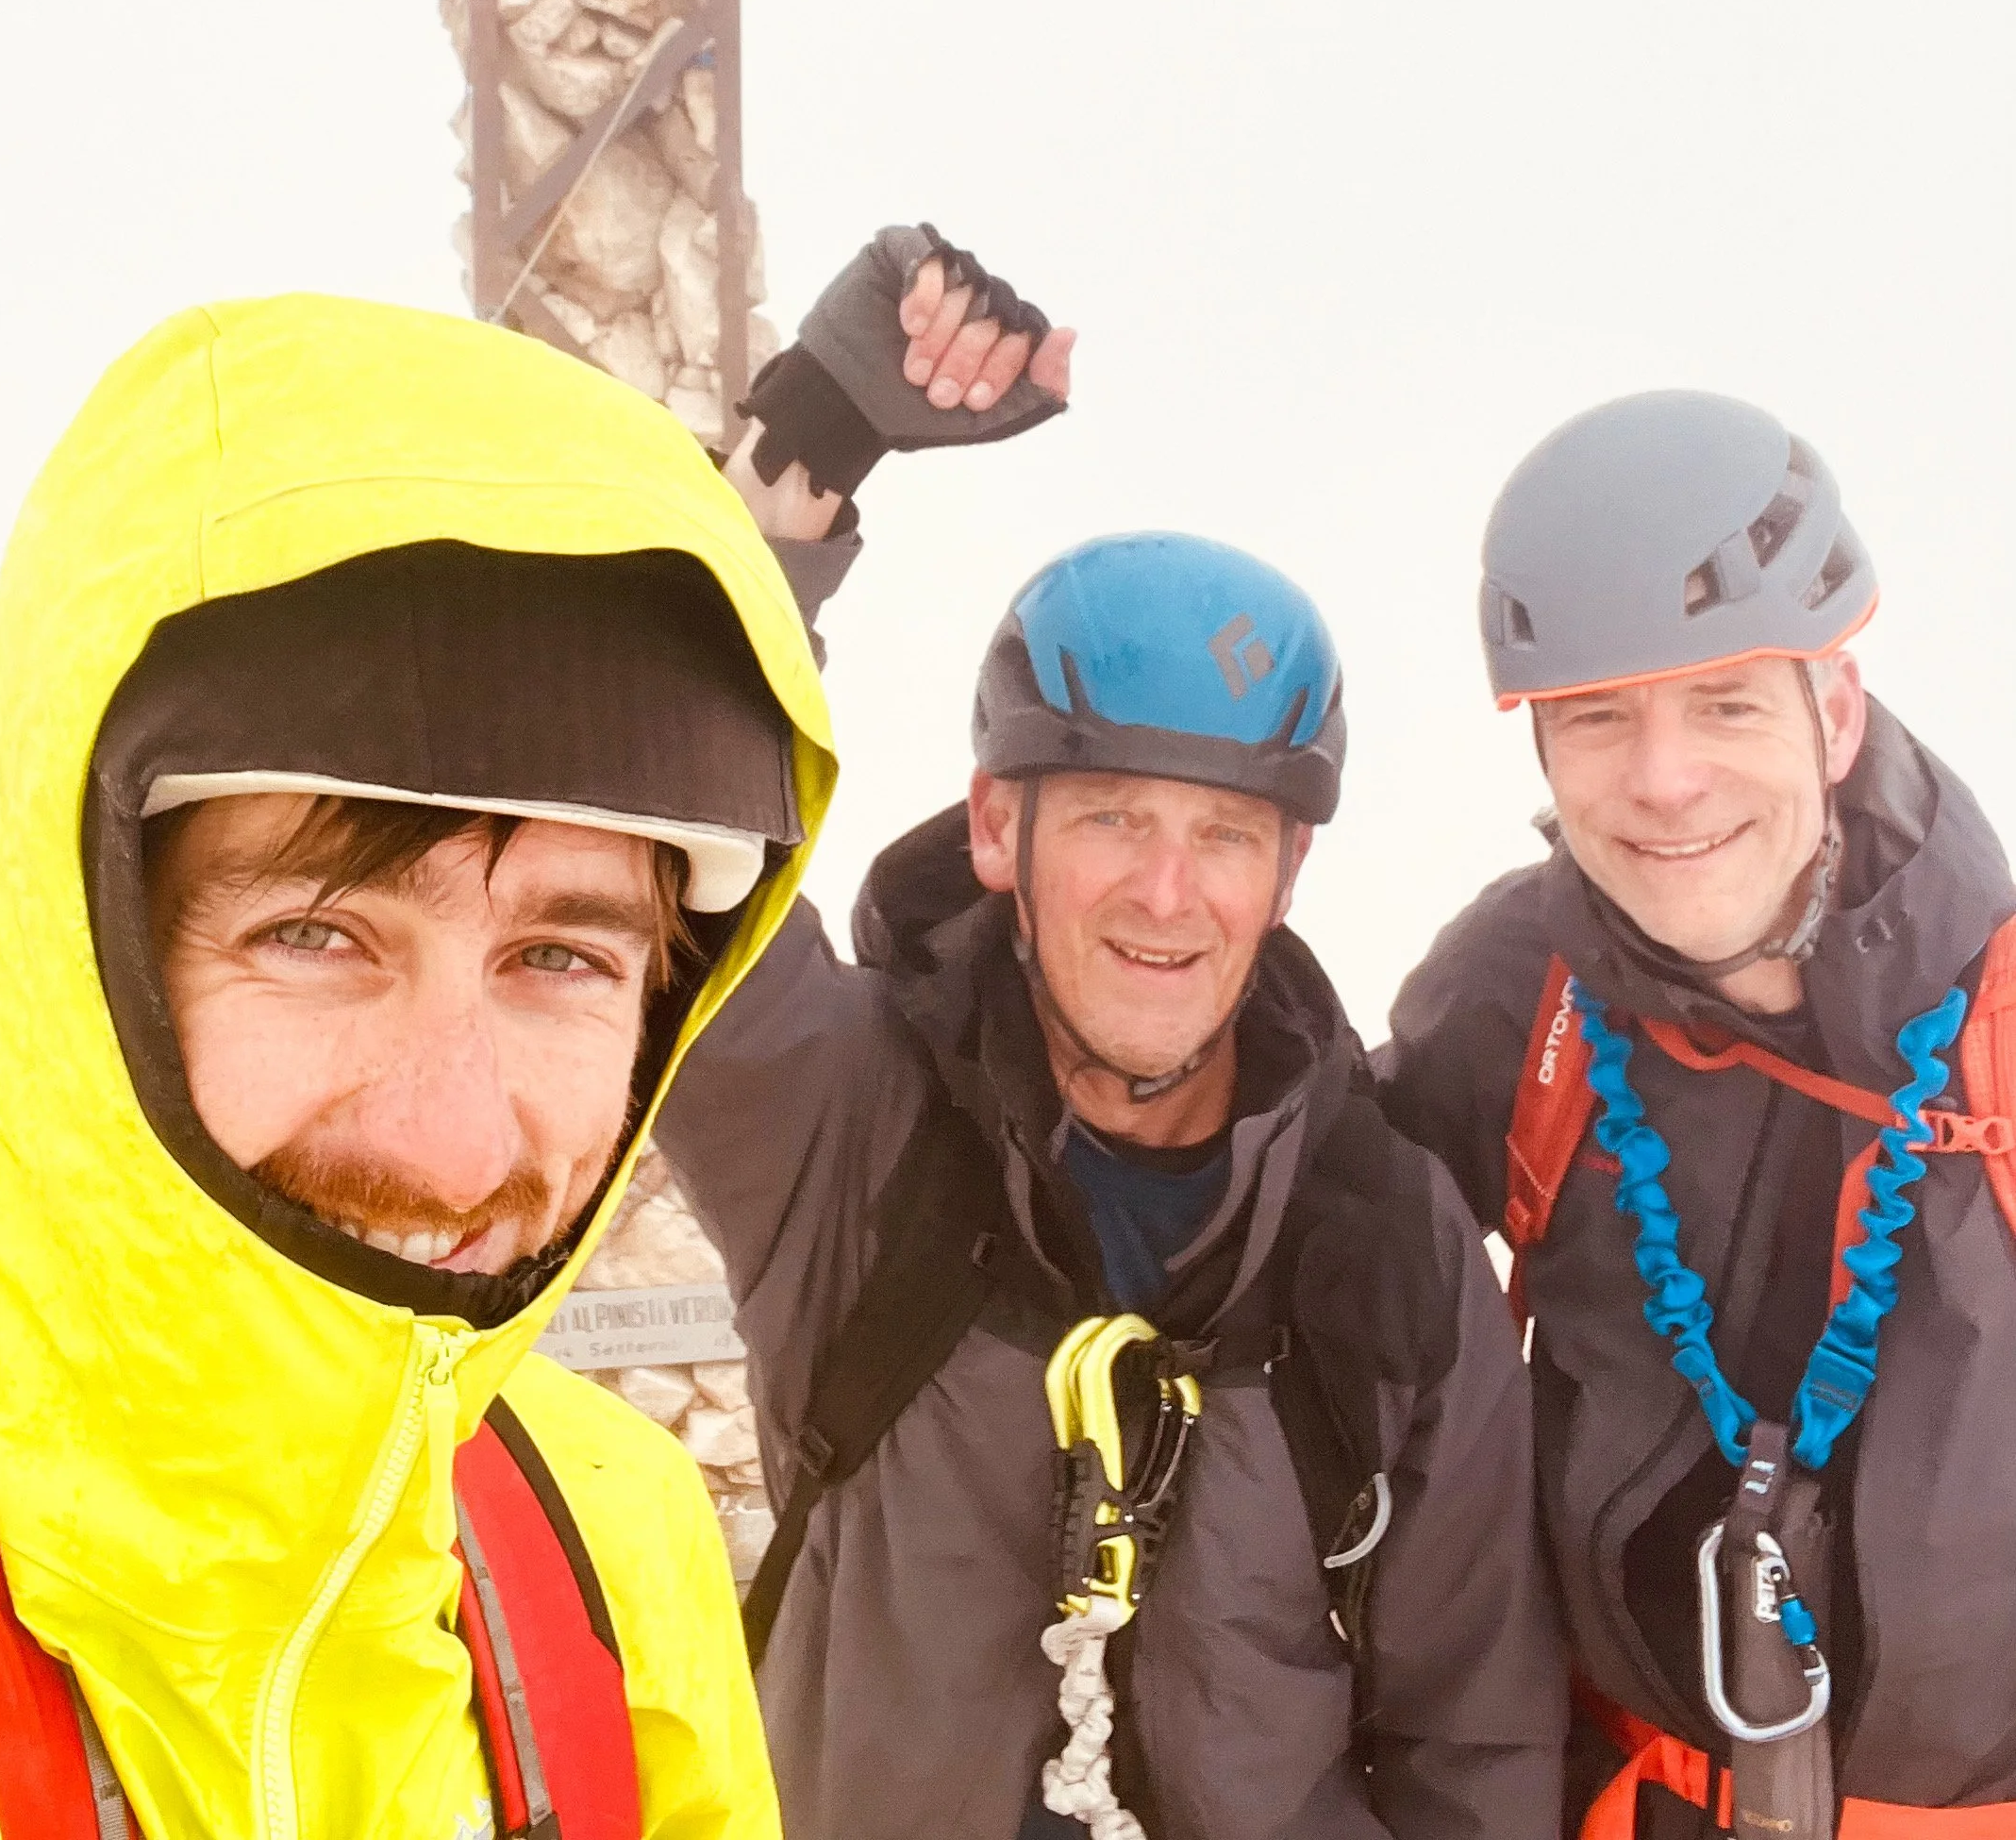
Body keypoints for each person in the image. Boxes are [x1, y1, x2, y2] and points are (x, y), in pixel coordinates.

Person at [0, 291, 836, 1840]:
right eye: (316, 936)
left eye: (559, 960)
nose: (453, 1146)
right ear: (77, 953)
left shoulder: (613, 1556)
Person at [659, 225, 1565, 1840]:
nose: (1168, 891)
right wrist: (798, 465)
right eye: (1112, 819)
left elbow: (1474, 1742)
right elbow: (675, 851)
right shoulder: (854, 1128)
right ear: (998, 829)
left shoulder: (1381, 1241)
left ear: (1291, 871)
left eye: (1227, 835)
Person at [1382, 390, 2016, 1838]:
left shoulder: (2004, 1019)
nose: (1663, 781)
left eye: (1725, 701)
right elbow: (1294, 1262)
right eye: (1599, 718)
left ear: (1834, 711)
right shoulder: (1517, 998)